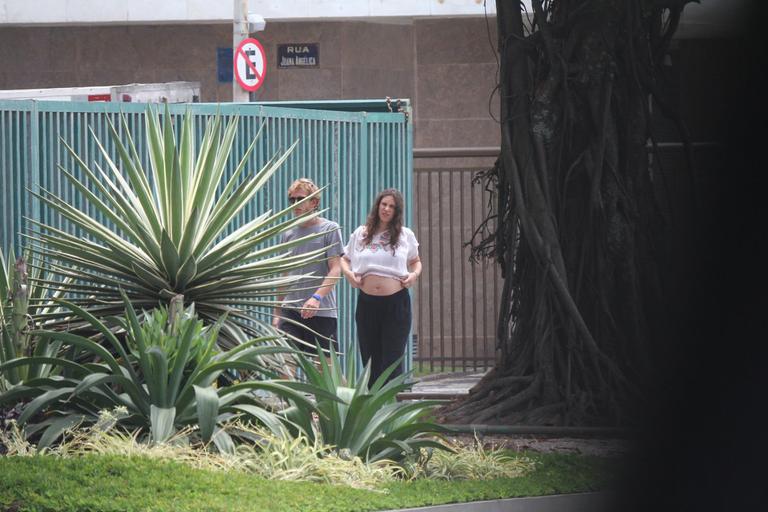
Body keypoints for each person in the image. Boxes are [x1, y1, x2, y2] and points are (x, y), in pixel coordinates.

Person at [340, 188, 421, 385]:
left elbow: (416, 261)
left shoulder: (405, 235)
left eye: (391, 206)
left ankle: (393, 406)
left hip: (395, 304)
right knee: (370, 358)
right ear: (377, 206)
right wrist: (349, 275)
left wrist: (414, 276)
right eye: (383, 204)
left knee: (391, 358)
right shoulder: (361, 233)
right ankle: (374, 410)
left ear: (397, 211)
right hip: (367, 303)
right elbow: (344, 259)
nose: (386, 209)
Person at [273, 178, 344, 358]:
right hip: (291, 312)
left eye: (301, 199)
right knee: (284, 365)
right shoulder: (288, 233)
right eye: (292, 200)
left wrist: (316, 297)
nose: (295, 204)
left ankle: (349, 388)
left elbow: (336, 269)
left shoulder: (329, 228)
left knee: (325, 374)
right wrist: (277, 312)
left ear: (314, 202)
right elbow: (284, 275)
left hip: (321, 312)